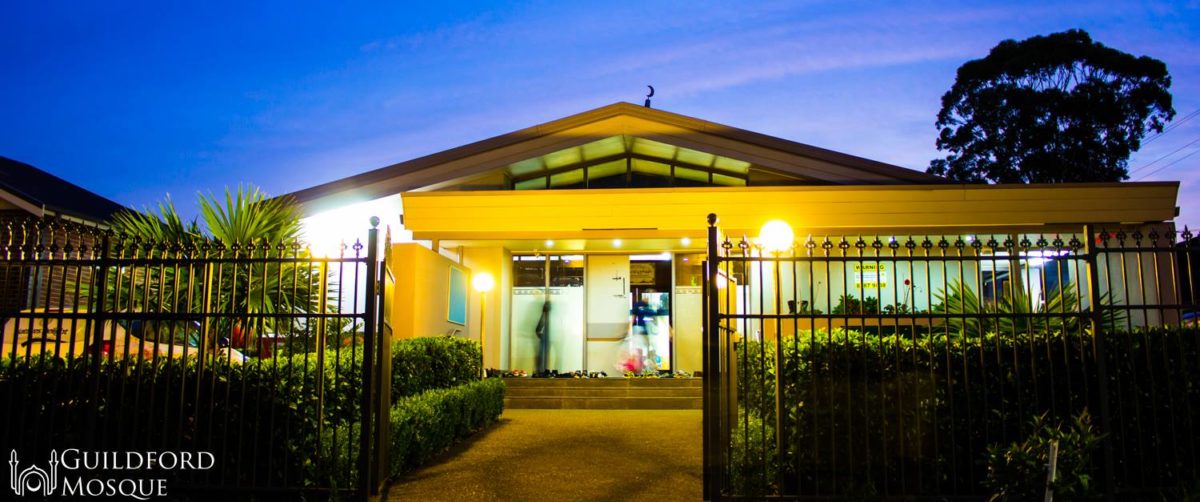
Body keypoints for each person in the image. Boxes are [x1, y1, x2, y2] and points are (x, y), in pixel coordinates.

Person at [534, 299, 550, 376]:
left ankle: (540, 371)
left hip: (546, 337)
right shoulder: (545, 315)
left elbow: (538, 329)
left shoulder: (545, 315)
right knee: (542, 354)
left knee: (542, 354)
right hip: (546, 337)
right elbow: (538, 329)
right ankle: (541, 371)